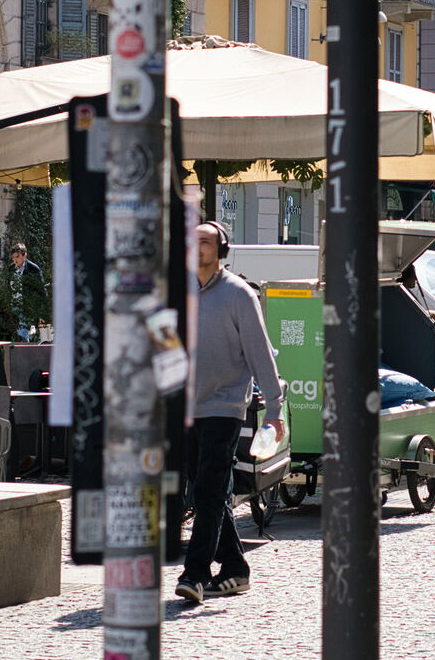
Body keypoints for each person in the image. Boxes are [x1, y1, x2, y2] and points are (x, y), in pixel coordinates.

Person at [176, 222, 284, 605]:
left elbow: (260, 353)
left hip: (224, 407)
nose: (197, 248)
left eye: (205, 242)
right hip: (187, 407)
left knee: (207, 487)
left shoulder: (239, 295)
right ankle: (236, 569)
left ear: (221, 249)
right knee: (207, 488)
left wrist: (275, 408)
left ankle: (195, 572)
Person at [0, 243, 47, 339]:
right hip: (13, 306)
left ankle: (21, 351)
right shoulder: (11, 269)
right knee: (13, 333)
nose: (15, 260)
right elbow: (7, 288)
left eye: (17, 257)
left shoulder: (33, 269)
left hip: (26, 307)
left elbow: (41, 290)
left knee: (22, 333)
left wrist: (41, 310)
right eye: (13, 257)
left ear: (24, 255)